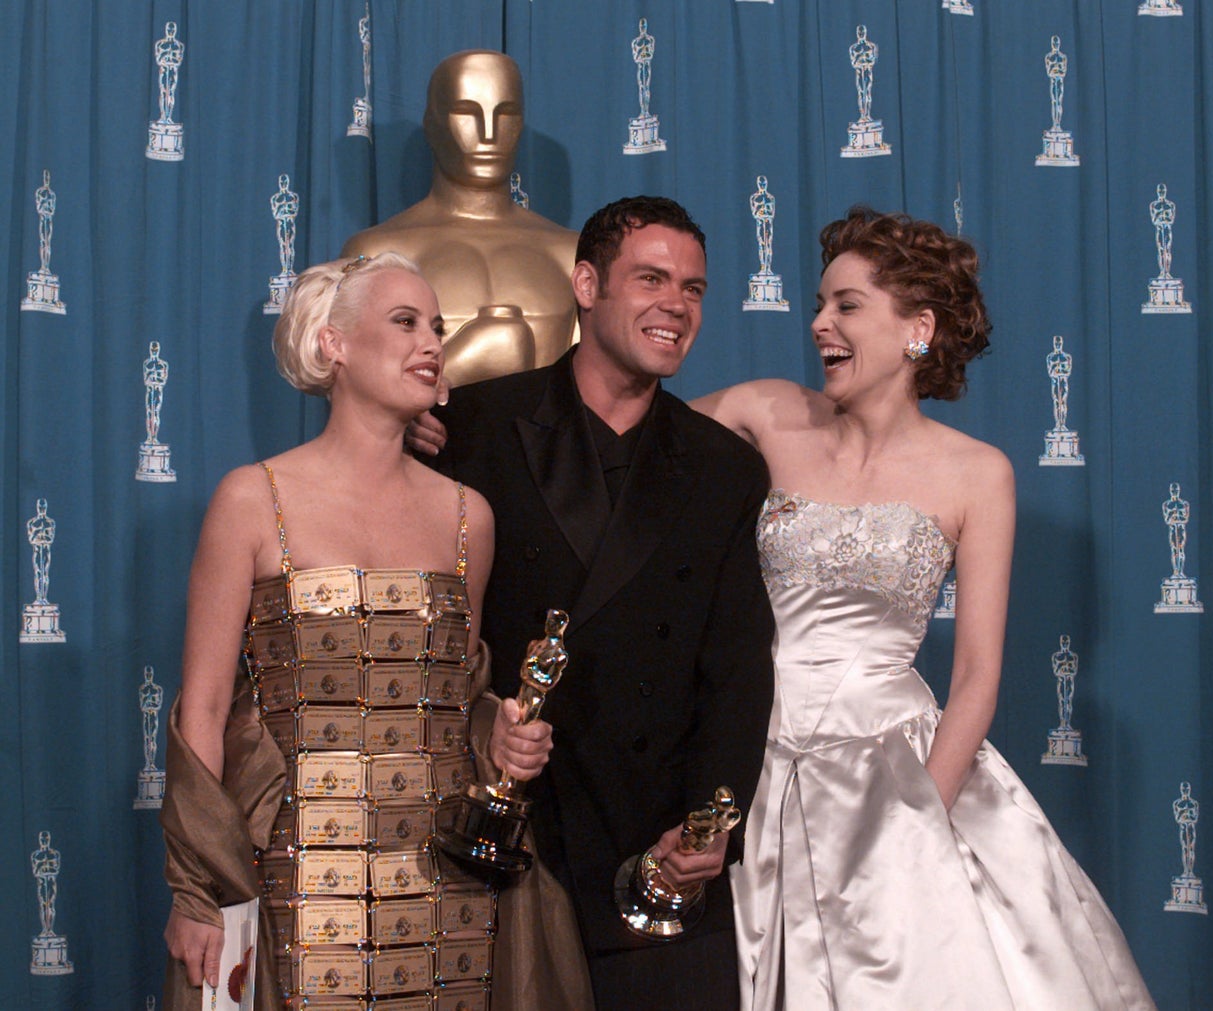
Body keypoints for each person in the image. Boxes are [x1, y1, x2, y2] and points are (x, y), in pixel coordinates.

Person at [693, 207, 1155, 1009]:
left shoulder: (978, 474)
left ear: (919, 329)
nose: (818, 324)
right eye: (818, 303)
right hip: (751, 757)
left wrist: (916, 820)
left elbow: (976, 674)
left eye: (846, 305)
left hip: (895, 770)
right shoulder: (767, 413)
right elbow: (617, 431)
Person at [412, 195, 776, 1009]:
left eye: (694, 288)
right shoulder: (471, 425)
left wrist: (712, 827)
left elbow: (738, 670)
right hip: (506, 842)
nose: (676, 305)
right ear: (585, 283)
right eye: (651, 278)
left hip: (650, 852)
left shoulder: (725, 468)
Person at [159, 252, 549, 1009]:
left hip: (448, 889)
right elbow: (203, 710)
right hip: (293, 880)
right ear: (332, 343)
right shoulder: (251, 499)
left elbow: (460, 698)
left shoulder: (470, 515)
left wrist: (502, 736)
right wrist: (195, 887)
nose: (431, 342)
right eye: (405, 322)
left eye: (437, 326)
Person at [343, 49, 578, 387]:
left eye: (506, 114)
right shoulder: (379, 251)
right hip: (423, 439)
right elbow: (353, 388)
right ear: (432, 123)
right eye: (466, 112)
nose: (488, 133)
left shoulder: (571, 254)